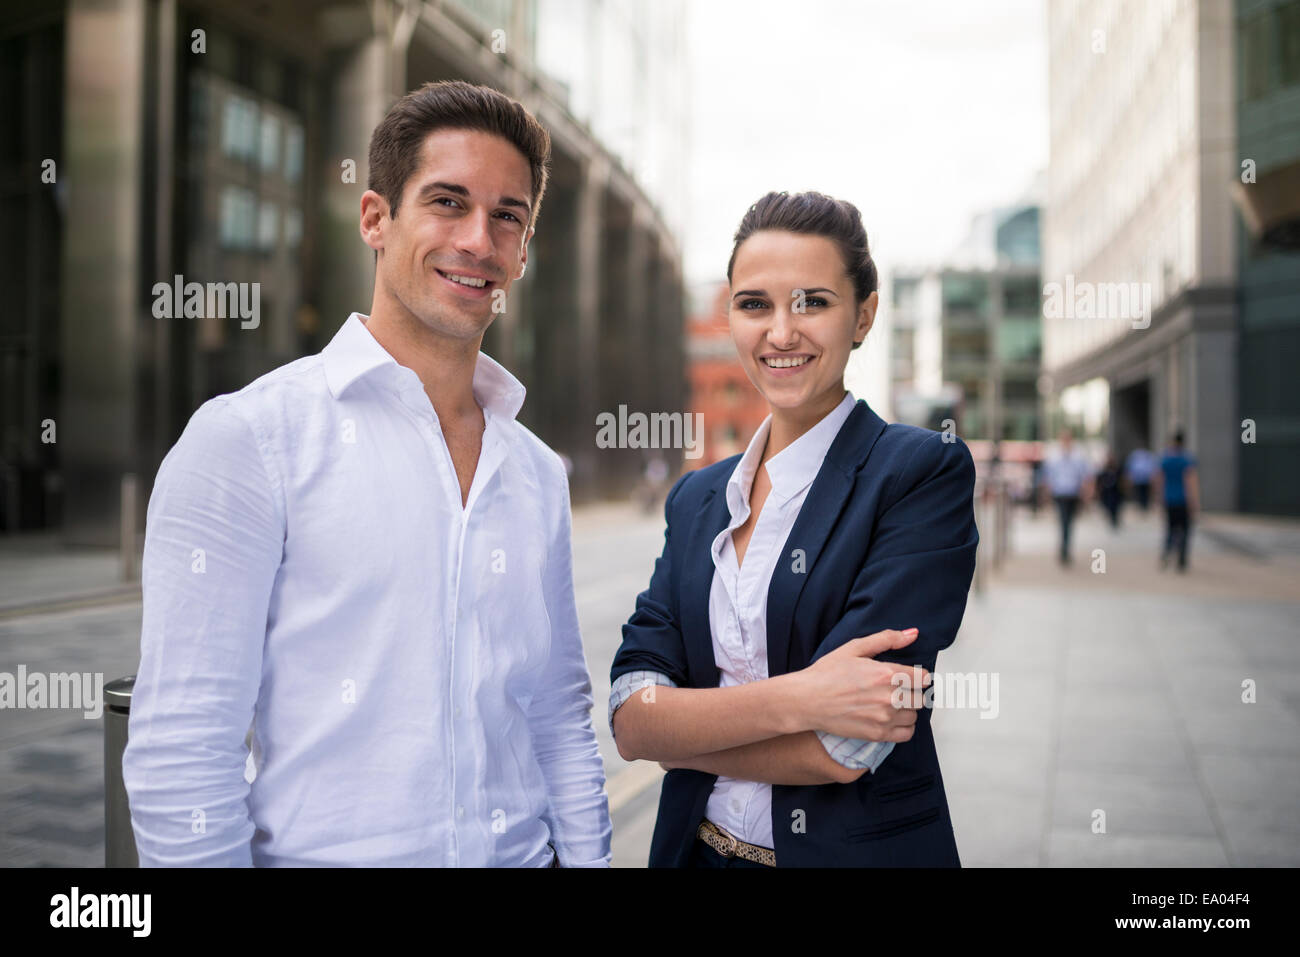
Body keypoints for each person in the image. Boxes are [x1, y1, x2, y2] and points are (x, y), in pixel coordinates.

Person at [123, 81, 611, 867]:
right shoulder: (250, 438)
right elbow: (184, 746)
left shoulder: (535, 472)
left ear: (524, 249)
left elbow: (557, 715)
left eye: (507, 216)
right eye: (447, 202)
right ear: (376, 219)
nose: (479, 241)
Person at [608, 191, 978, 867]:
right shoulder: (696, 498)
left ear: (863, 314)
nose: (781, 332)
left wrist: (679, 735)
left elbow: (845, 748)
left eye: (812, 301)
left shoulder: (920, 473)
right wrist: (804, 696)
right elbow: (631, 713)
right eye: (755, 304)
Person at [1041, 428, 1093, 565]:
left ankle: (1066, 547)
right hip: (1060, 493)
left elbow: (1085, 475)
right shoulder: (1054, 456)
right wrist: (1047, 492)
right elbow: (1048, 476)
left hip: (1073, 493)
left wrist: (1087, 491)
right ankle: (1064, 550)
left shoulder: (1078, 455)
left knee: (1069, 522)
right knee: (1063, 520)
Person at [1153, 429, 1199, 571]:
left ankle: (1166, 554)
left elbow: (1159, 480)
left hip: (1169, 500)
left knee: (1170, 529)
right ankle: (1182, 560)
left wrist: (1159, 500)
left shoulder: (1165, 459)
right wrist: (1194, 502)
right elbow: (1190, 482)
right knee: (1185, 530)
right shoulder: (1187, 459)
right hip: (1183, 501)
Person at [1096, 452, 1123, 529]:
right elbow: (1099, 480)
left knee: (1115, 506)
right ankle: (1111, 518)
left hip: (1116, 491)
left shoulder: (1118, 469)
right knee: (1108, 505)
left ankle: (1115, 519)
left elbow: (1122, 479)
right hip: (1106, 492)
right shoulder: (1103, 470)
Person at [1125, 446, 1157, 511]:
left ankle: (1144, 505)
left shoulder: (1147, 457)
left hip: (1144, 480)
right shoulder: (1136, 457)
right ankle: (1141, 505)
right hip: (1139, 480)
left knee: (1144, 493)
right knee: (1140, 493)